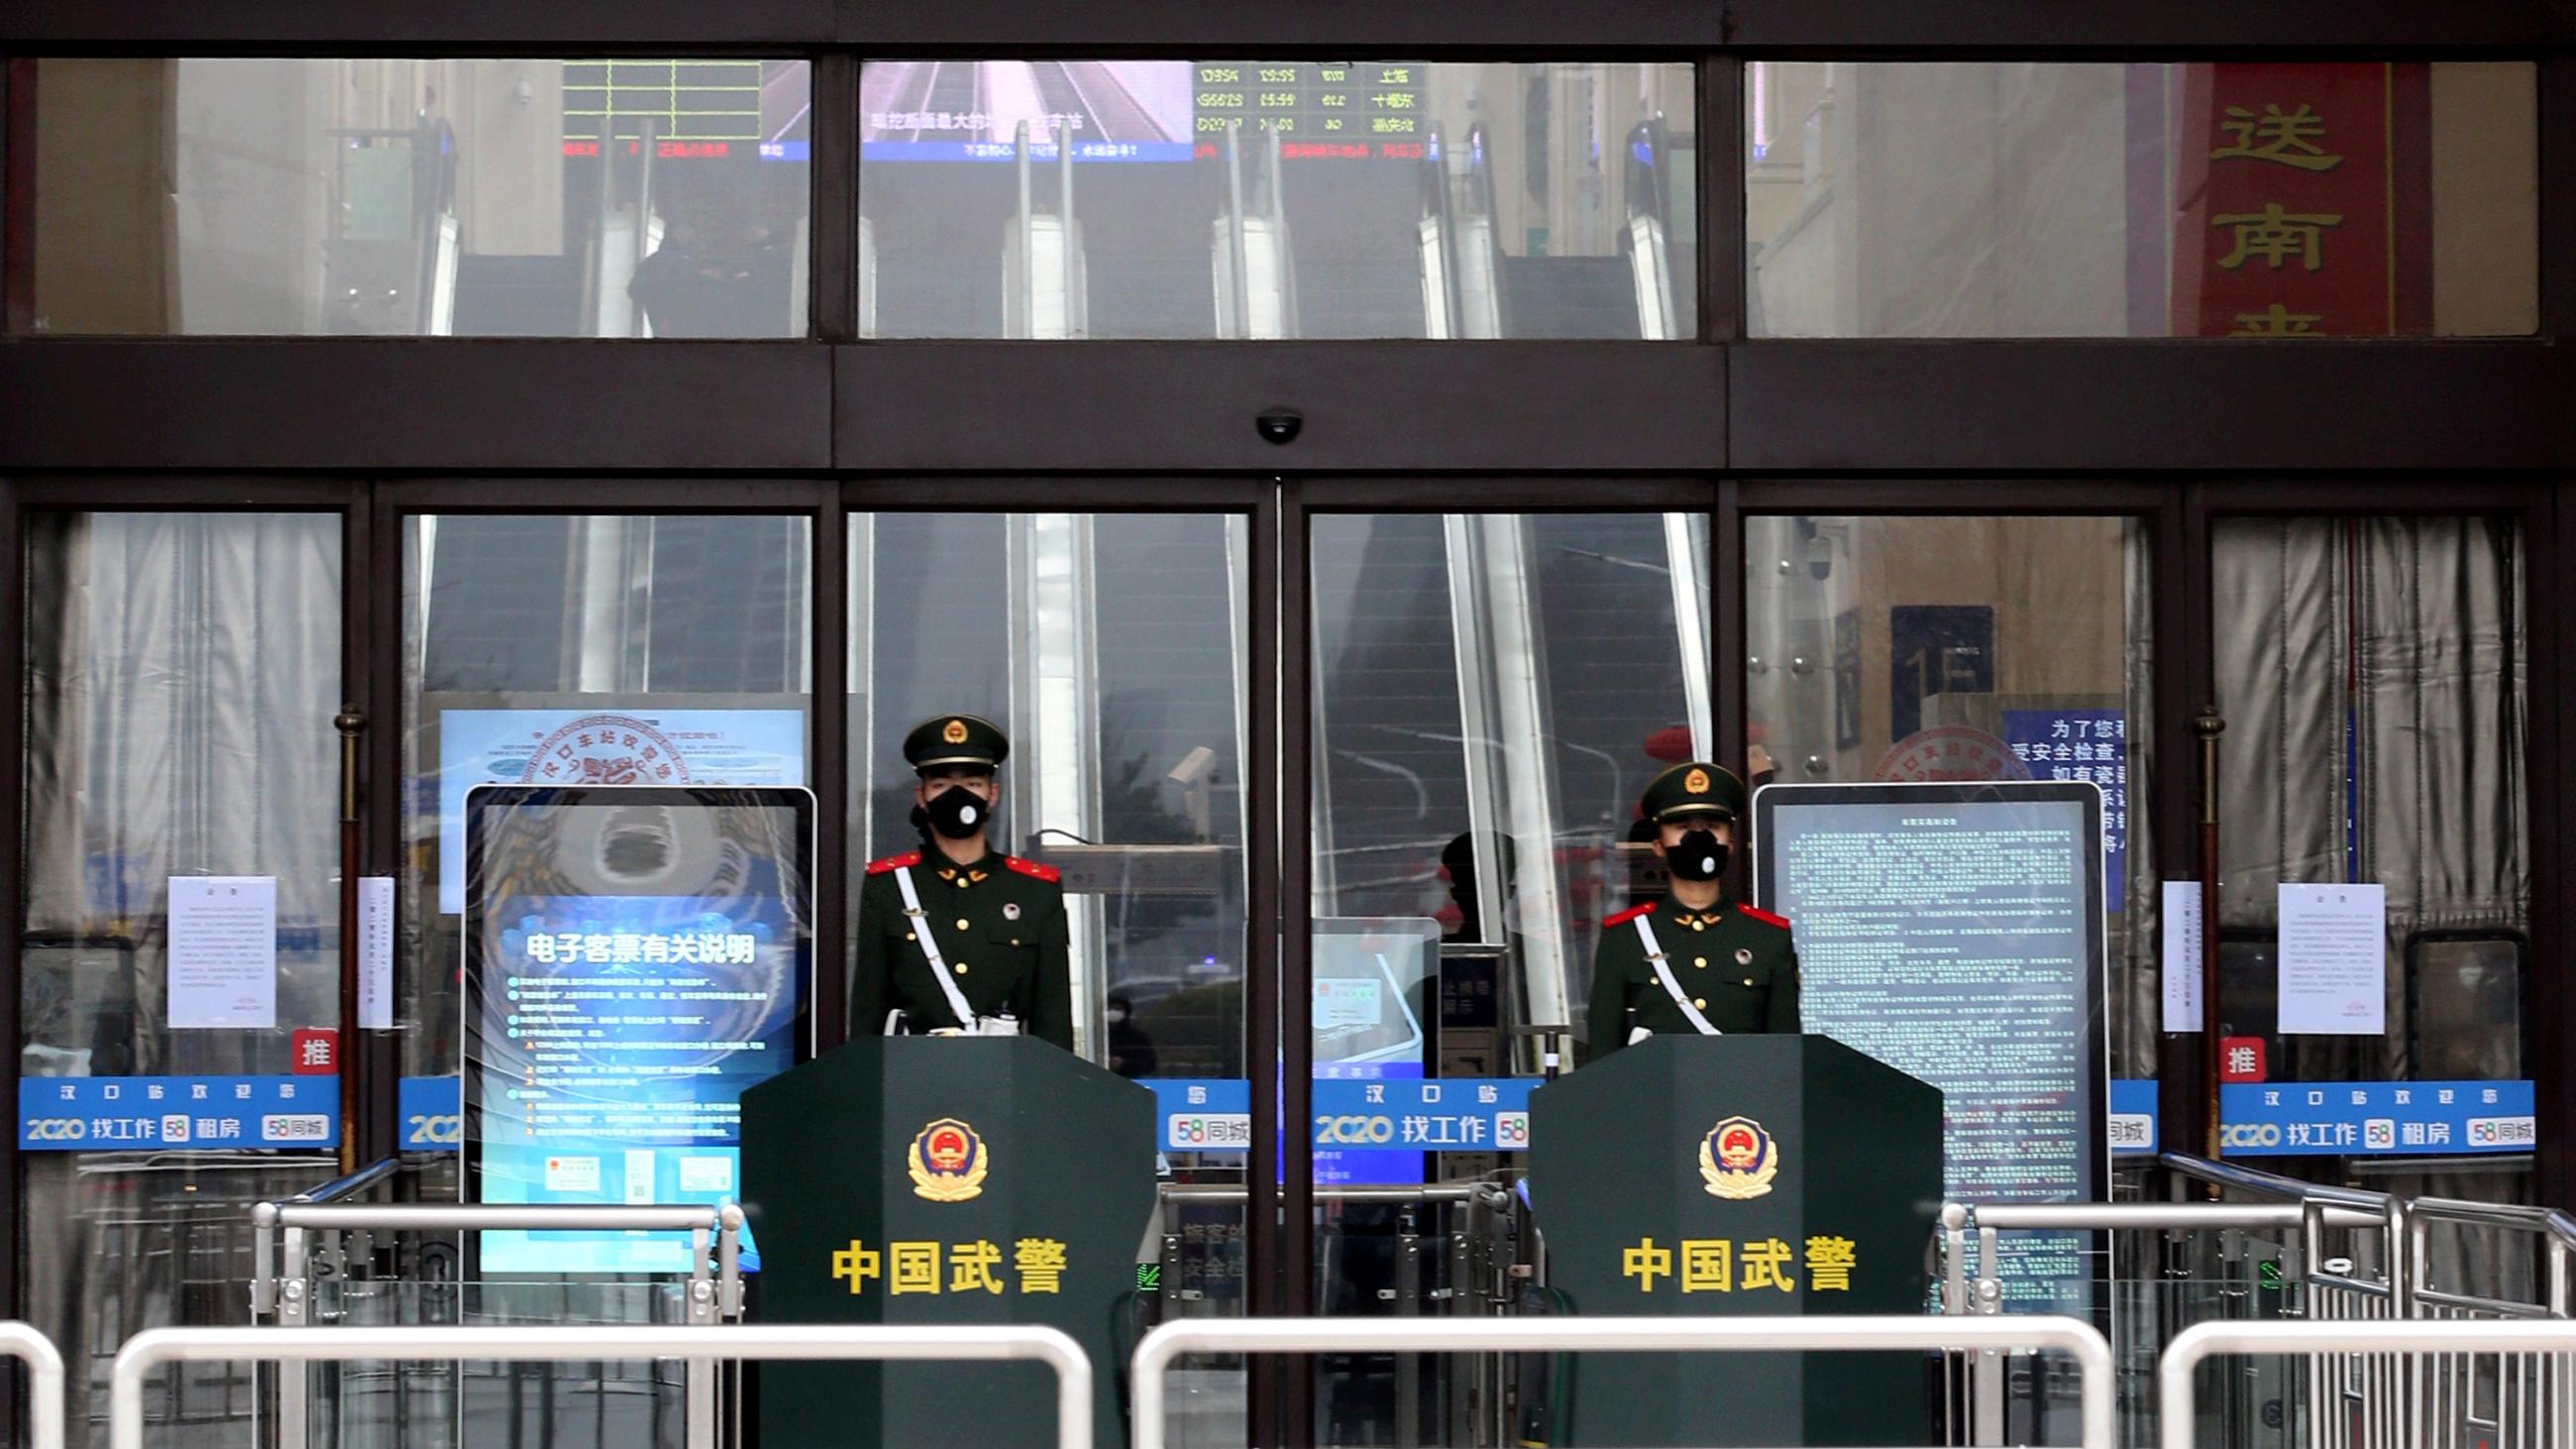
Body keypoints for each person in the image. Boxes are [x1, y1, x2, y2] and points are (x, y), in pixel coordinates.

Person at [854, 714, 1075, 1050]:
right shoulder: (888, 886)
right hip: (911, 1077)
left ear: (992, 794)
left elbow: (1052, 1016)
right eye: (941, 785)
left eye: (973, 784)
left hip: (1005, 1078)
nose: (958, 796)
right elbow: (867, 1010)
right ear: (922, 796)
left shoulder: (1035, 890)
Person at [1583, 760, 1799, 1061]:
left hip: (1741, 1102)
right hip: (1653, 1099)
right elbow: (1603, 1052)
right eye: (1682, 828)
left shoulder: (1768, 936)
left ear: (1730, 843)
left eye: (1712, 827)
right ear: (1658, 845)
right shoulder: (1625, 936)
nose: (1699, 838)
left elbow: (1785, 1052)